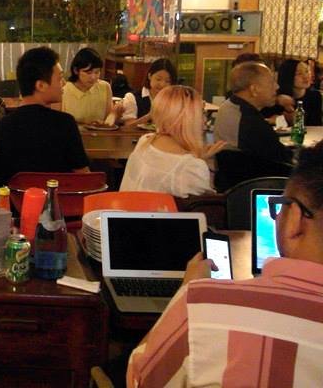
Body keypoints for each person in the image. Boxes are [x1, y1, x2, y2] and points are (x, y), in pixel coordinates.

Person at [127, 141, 323, 387]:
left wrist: (186, 290)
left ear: (294, 218)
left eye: (280, 206)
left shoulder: (203, 306)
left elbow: (139, 379)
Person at [0, 47, 89, 183]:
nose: (64, 83)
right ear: (40, 85)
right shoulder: (65, 123)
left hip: (19, 196)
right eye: (60, 78)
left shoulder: (4, 125)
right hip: (58, 195)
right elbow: (83, 176)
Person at [120, 86, 225, 197]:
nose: (205, 120)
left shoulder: (146, 140)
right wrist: (200, 162)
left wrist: (197, 158)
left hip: (126, 206)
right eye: (202, 113)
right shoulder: (191, 167)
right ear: (188, 119)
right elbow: (204, 204)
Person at [213, 62, 293, 165]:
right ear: (254, 89)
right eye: (271, 82)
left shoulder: (228, 106)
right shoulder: (250, 121)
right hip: (259, 174)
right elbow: (284, 158)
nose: (277, 87)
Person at [61, 47, 119, 124]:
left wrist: (113, 115)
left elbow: (108, 121)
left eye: (97, 72)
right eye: (88, 73)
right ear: (76, 70)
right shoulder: (64, 91)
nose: (93, 77)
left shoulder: (105, 87)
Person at [120, 58, 177, 126]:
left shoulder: (173, 99)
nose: (162, 84)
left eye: (167, 81)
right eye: (158, 79)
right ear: (149, 76)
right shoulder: (132, 97)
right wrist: (149, 116)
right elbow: (128, 125)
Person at [272, 59, 323, 127]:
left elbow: (316, 125)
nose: (306, 76)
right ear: (287, 76)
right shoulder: (276, 98)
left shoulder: (315, 96)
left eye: (307, 71)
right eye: (299, 73)